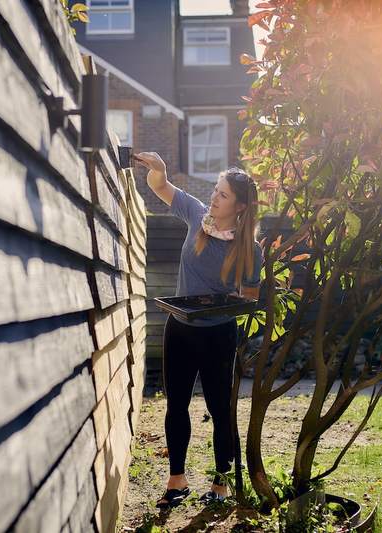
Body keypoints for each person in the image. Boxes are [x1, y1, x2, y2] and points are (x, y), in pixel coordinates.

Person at [132, 151, 263, 509]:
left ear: (238, 206)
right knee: (176, 404)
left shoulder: (249, 248)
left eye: (222, 194)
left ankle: (221, 485)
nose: (213, 197)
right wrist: (158, 170)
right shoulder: (195, 215)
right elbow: (161, 187)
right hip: (180, 328)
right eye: (215, 190)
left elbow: (251, 295)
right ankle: (177, 479)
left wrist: (234, 298)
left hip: (219, 335)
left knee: (221, 410)